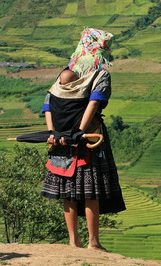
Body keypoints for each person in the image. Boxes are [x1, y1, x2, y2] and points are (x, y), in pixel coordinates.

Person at [41, 28, 126, 251]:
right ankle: (93, 242)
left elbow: (48, 105)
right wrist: (79, 130)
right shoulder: (100, 75)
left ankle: (73, 242)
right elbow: (94, 102)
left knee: (67, 191)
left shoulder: (63, 75)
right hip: (89, 137)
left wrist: (53, 134)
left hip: (61, 140)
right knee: (91, 191)